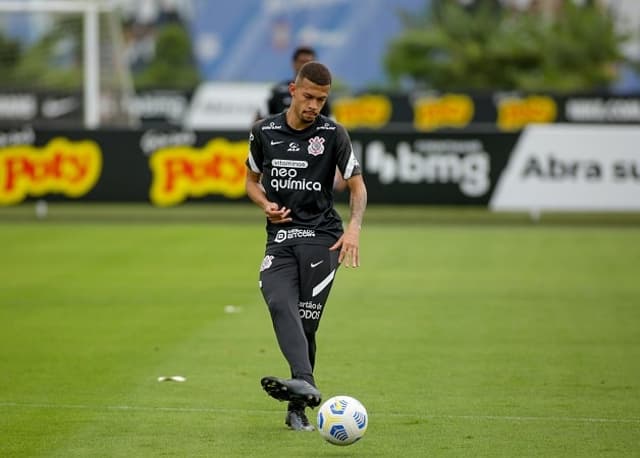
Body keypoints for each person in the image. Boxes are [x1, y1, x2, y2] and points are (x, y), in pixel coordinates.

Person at [245, 61, 367, 432]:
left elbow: (358, 187)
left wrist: (354, 229)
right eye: (310, 96)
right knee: (280, 302)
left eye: (322, 99)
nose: (315, 105)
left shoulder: (334, 134)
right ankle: (307, 387)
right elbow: (251, 181)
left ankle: (296, 408)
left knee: (306, 325)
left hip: (322, 240)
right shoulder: (263, 132)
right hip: (280, 239)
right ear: (294, 90)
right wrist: (264, 203)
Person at [266, 46, 331, 117]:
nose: (305, 65)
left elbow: (326, 118)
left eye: (309, 62)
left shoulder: (321, 93)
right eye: (302, 62)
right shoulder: (279, 90)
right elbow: (270, 115)